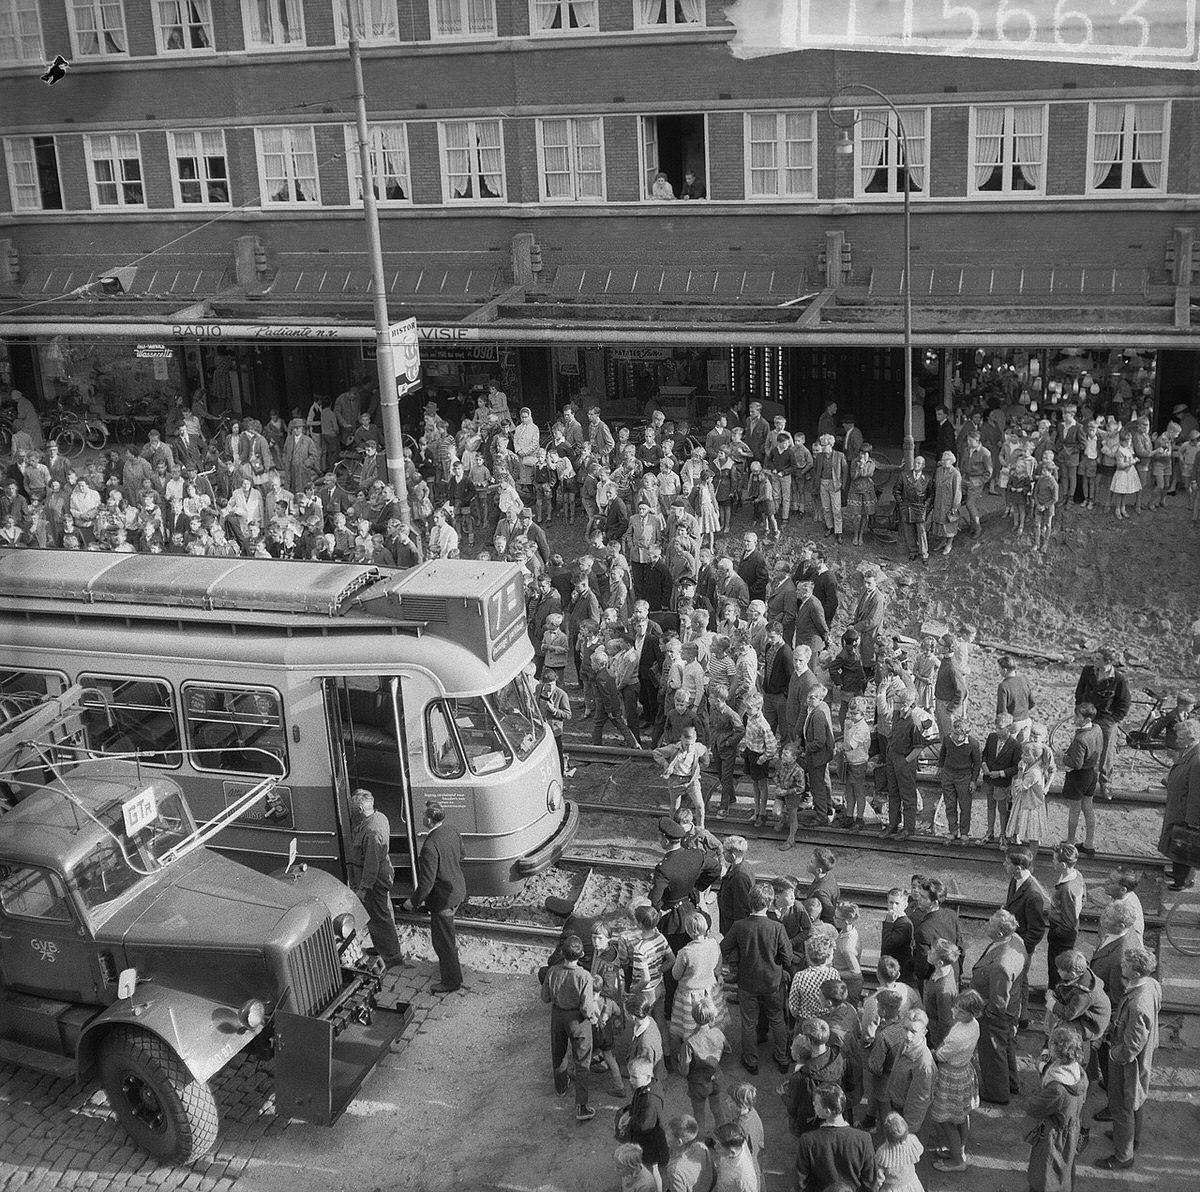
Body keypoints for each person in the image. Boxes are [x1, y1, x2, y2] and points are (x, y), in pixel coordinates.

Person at [1096, 947, 1161, 1170]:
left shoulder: (1137, 1004)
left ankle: (1123, 1155)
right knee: (1136, 1101)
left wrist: (1113, 1053)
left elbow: (1131, 1047)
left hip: (1127, 1064)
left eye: (1126, 964)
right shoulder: (1151, 984)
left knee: (1121, 1105)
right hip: (1142, 1058)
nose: (1121, 965)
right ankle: (1132, 1138)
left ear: (1135, 973)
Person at [719, 880, 793, 1075]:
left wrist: (737, 955)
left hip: (748, 981)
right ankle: (782, 1057)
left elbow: (724, 947)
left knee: (749, 1022)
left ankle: (751, 1060)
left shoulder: (739, 926)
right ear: (769, 904)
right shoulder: (777, 928)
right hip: (772, 981)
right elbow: (788, 956)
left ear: (750, 902)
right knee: (777, 1019)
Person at [404, 800, 465, 994]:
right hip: (457, 890)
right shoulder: (452, 831)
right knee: (448, 936)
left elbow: (426, 884)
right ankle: (451, 971)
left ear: (429, 820)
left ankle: (451, 981)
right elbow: (462, 855)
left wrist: (412, 901)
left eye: (423, 815)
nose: (421, 817)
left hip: (443, 899)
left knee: (443, 942)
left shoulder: (429, 846)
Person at [970, 908, 1026, 1105]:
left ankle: (997, 1093)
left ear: (1000, 933)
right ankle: (1011, 1083)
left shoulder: (1002, 964)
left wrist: (986, 1013)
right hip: (1012, 1009)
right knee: (1006, 1047)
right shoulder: (1015, 940)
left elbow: (998, 1000)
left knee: (993, 1053)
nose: (987, 926)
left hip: (996, 1015)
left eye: (990, 925)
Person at [541, 934, 598, 1122]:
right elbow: (587, 1007)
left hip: (558, 1016)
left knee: (558, 1052)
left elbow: (545, 998)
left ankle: (561, 1087)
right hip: (578, 1020)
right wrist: (594, 1018)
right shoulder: (584, 976)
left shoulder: (553, 972)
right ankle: (581, 1106)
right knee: (582, 1060)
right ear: (581, 955)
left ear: (563, 953)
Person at [1026, 1025, 1089, 1191]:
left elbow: (1033, 1107)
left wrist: (1036, 1093)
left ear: (1056, 1052)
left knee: (1045, 1172)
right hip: (1071, 1129)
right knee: (1065, 1169)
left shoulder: (1057, 1090)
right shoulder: (1080, 1073)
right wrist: (1045, 1068)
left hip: (1054, 1136)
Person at [346, 788, 404, 968]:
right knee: (381, 914)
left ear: (361, 810)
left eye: (353, 808)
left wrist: (363, 888)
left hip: (374, 880)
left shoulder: (371, 831)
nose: (351, 811)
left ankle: (391, 957)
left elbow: (371, 864)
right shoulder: (380, 817)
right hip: (380, 876)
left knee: (380, 917)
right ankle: (383, 947)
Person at [929, 989, 982, 1173]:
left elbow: (941, 1055)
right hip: (963, 1072)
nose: (956, 1012)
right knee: (961, 1115)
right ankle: (959, 1149)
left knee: (947, 1120)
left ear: (973, 1013)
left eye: (961, 1011)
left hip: (950, 1076)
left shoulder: (959, 1036)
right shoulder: (973, 1024)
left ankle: (958, 1161)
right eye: (956, 1007)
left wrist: (933, 1052)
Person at [793, 1084, 877, 1192]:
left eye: (816, 1103)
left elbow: (800, 1183)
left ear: (827, 1111)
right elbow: (870, 1182)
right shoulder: (864, 1139)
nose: (813, 1104)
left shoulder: (808, 1140)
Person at [1073, 648, 1131, 800]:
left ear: (1108, 662)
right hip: (1088, 716)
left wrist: (1114, 719)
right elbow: (1079, 691)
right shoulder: (1088, 671)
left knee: (1106, 753)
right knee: (1084, 748)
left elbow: (1125, 703)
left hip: (1107, 720)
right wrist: (1081, 709)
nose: (1094, 661)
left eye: (1098, 659)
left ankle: (1105, 783)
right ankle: (1083, 779)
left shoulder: (1118, 679)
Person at [1004, 847, 1049, 1025]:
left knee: (1019, 980)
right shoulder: (1015, 880)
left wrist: (1024, 950)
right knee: (1020, 980)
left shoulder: (1032, 894)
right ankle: (1021, 1015)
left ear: (1018, 867)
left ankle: (1020, 1017)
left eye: (1007, 863)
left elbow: (1037, 930)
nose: (1003, 865)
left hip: (1021, 946)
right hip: (1013, 941)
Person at [1157, 718, 1200, 891]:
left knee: (1183, 842)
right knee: (1176, 840)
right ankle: (1179, 874)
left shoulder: (1197, 759)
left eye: (1181, 737)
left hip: (1183, 811)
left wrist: (1192, 820)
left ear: (1191, 738)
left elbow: (1196, 793)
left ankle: (1182, 880)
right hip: (1179, 806)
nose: (1177, 740)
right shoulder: (1189, 752)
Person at [677, 997, 727, 1136]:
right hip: (715, 1078)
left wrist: (679, 1063)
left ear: (693, 1017)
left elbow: (684, 1070)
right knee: (718, 1110)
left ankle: (701, 1145)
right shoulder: (718, 1033)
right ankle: (723, 1138)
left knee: (699, 1117)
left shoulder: (689, 1042)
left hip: (698, 1084)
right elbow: (727, 1050)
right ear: (712, 1016)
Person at [1061, 702, 1104, 856]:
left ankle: (1070, 842)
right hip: (1092, 773)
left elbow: (1076, 764)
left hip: (1079, 777)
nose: (1074, 718)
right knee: (1088, 808)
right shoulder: (1097, 728)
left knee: (1074, 810)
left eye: (1077, 716)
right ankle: (1089, 843)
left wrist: (1063, 757)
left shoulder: (1081, 738)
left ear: (1085, 719)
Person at [627, 1055, 670, 1189]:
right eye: (630, 1076)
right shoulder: (644, 1088)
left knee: (652, 1169)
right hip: (647, 1140)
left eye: (635, 1077)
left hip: (651, 1142)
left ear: (647, 1076)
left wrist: (630, 1120)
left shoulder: (650, 1099)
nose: (630, 1080)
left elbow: (645, 1126)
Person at [874, 1112, 924, 1192]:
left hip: (891, 1188)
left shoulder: (882, 1152)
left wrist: (876, 1188)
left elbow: (879, 1176)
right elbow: (920, 1150)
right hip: (910, 1183)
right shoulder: (912, 1141)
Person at [665, 1116, 715, 1192]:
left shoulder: (675, 1170)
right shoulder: (702, 1147)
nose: (665, 1136)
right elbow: (713, 1175)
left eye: (668, 1135)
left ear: (679, 1142)